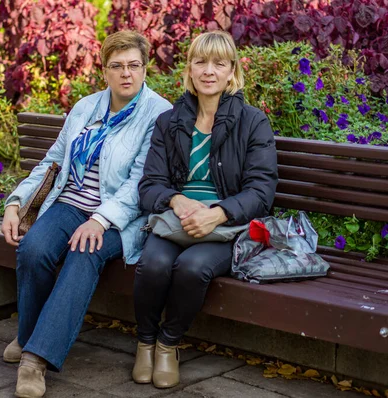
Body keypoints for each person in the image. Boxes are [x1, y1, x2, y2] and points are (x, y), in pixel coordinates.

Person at [0, 30, 172, 398]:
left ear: (145, 69)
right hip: (70, 202)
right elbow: (52, 163)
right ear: (104, 71)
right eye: (117, 66)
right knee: (33, 248)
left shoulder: (159, 114)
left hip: (121, 217)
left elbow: (140, 184)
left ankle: (35, 360)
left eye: (134, 66)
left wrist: (100, 219)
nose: (127, 74)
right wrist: (15, 203)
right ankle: (30, 333)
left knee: (84, 253)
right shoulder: (85, 107)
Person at [132, 30, 278, 389]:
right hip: (176, 220)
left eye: (219, 63)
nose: (209, 71)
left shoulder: (252, 121)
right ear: (190, 69)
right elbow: (149, 184)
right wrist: (177, 200)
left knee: (192, 268)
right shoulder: (169, 121)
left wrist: (219, 212)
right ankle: (144, 343)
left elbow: (262, 190)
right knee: (152, 264)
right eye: (201, 62)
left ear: (232, 72)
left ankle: (168, 344)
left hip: (227, 226)